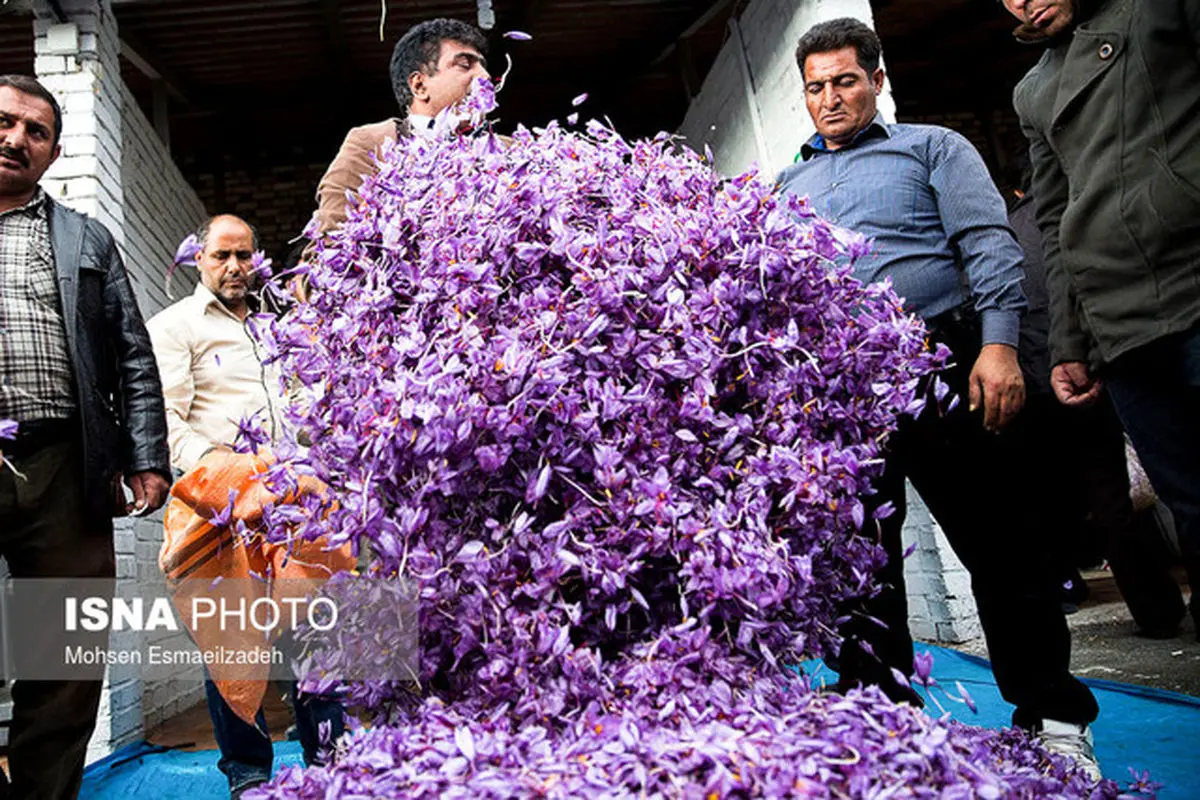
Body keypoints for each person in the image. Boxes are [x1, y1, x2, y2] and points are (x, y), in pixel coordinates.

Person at [775, 19, 1101, 779]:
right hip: (844, 387)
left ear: (877, 80)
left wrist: (996, 345)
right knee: (860, 562)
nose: (831, 98)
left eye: (846, 80)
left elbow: (989, 244)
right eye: (817, 86)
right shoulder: (787, 185)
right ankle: (880, 714)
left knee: (1002, 542)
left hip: (942, 359)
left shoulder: (931, 148)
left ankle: (1054, 715)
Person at [1002, 0, 1200, 640]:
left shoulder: (1154, 11)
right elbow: (1055, 225)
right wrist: (1068, 343)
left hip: (1193, 280)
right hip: (1120, 326)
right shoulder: (1033, 90)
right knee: (1189, 503)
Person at [0, 74, 171, 799]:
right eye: (6, 123)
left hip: (65, 465)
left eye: (35, 132)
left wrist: (147, 457)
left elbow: (132, 353)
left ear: (55, 151)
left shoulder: (84, 238)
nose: (16, 139)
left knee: (63, 654)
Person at [146, 215, 350, 799]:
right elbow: (170, 422)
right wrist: (228, 475)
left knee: (315, 633)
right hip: (222, 507)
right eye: (221, 256)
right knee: (234, 644)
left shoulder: (275, 328)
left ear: (258, 260)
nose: (234, 267)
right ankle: (248, 774)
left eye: (244, 255)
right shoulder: (176, 327)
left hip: (290, 504)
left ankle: (330, 762)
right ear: (199, 260)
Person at [311, 17, 489, 238]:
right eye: (465, 64)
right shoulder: (372, 143)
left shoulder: (509, 151)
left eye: (483, 66)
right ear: (419, 85)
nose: (485, 77)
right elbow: (330, 235)